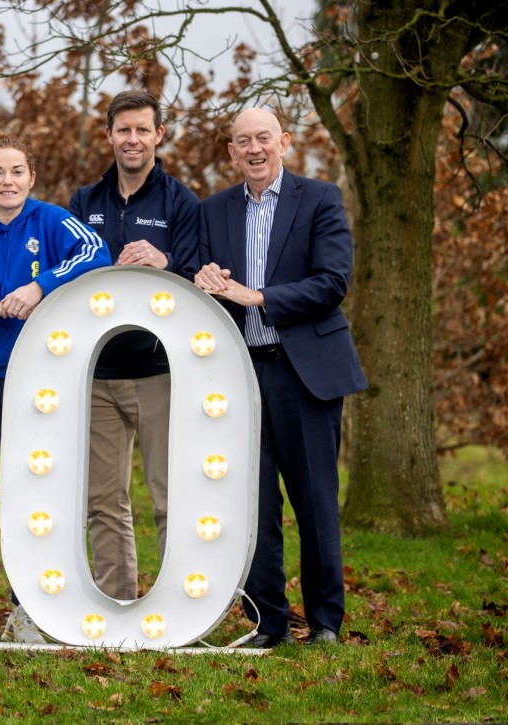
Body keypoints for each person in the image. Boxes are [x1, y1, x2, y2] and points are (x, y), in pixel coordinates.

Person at [194, 108, 367, 648]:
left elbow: (333, 281)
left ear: (284, 142)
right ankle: (268, 621)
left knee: (314, 500)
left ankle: (324, 622)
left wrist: (259, 297)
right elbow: (197, 273)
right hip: (239, 375)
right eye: (242, 141)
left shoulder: (320, 199)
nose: (254, 149)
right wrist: (201, 276)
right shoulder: (212, 210)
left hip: (304, 374)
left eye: (263, 138)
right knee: (254, 504)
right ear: (231, 151)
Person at [0, 131, 111, 644]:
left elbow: (97, 252)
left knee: (28, 496)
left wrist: (41, 286)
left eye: (17, 171)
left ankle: (25, 610)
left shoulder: (52, 221)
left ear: (31, 178)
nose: (7, 180)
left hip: (36, 381)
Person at [68, 90, 200, 601]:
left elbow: (196, 281)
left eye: (143, 129)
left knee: (168, 496)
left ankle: (175, 604)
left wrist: (164, 264)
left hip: (158, 371)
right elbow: (73, 273)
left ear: (159, 135)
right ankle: (117, 601)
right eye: (123, 130)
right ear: (109, 135)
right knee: (103, 500)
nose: (132, 139)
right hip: (98, 370)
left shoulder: (180, 202)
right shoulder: (85, 201)